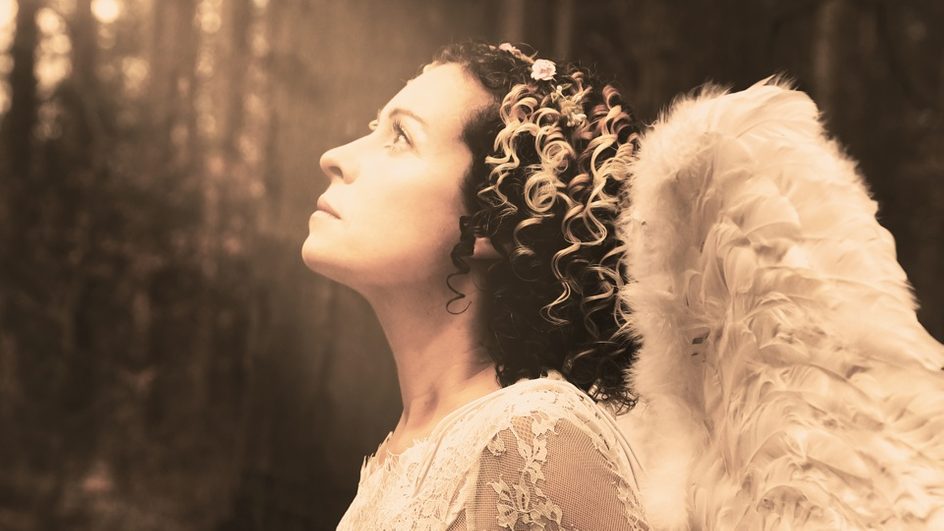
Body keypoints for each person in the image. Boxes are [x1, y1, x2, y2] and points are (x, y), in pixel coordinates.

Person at [302, 39, 650, 530]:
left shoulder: (535, 438)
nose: (334, 157)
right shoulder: (409, 445)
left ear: (491, 218)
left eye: (401, 136)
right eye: (374, 128)